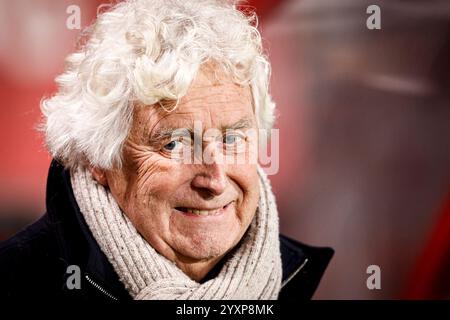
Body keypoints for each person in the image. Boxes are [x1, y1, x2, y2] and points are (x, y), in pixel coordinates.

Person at [0, 0, 333, 300]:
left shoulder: (299, 282)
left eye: (232, 140)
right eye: (174, 144)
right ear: (99, 160)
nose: (215, 180)